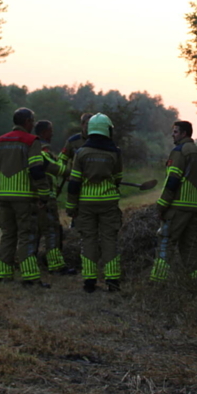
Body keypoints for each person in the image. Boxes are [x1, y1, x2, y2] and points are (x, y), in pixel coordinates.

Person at [149, 120, 197, 283]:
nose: (172, 135)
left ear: (184, 133)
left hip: (177, 207)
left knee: (165, 242)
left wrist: (162, 205)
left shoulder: (179, 152)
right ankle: (195, 282)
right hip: (194, 209)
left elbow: (172, 181)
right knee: (190, 247)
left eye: (175, 132)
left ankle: (157, 281)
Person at [0, 107, 51, 287]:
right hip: (24, 198)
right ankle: (30, 276)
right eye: (33, 121)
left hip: (4, 197)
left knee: (7, 235)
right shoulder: (31, 141)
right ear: (28, 122)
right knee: (26, 235)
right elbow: (36, 169)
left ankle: (4, 274)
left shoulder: (0, 141)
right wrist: (44, 194)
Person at [66, 113, 123, 293]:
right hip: (108, 203)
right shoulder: (115, 152)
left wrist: (71, 206)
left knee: (88, 239)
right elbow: (118, 178)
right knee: (109, 240)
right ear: (108, 129)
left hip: (86, 203)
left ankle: (89, 281)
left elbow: (74, 182)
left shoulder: (81, 152)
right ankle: (112, 280)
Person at [32, 120, 74, 275]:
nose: (53, 133)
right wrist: (73, 173)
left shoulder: (38, 149)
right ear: (43, 132)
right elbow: (53, 167)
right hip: (45, 198)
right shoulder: (41, 150)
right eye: (51, 130)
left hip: (36, 197)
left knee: (35, 231)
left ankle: (30, 262)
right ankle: (55, 265)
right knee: (52, 230)